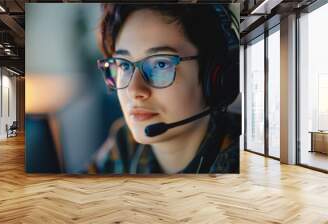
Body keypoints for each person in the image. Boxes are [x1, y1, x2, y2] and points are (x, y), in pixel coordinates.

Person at [88, 3, 240, 174]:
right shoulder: (125, 142)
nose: (133, 90)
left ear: (216, 77)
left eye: (160, 64)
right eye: (123, 65)